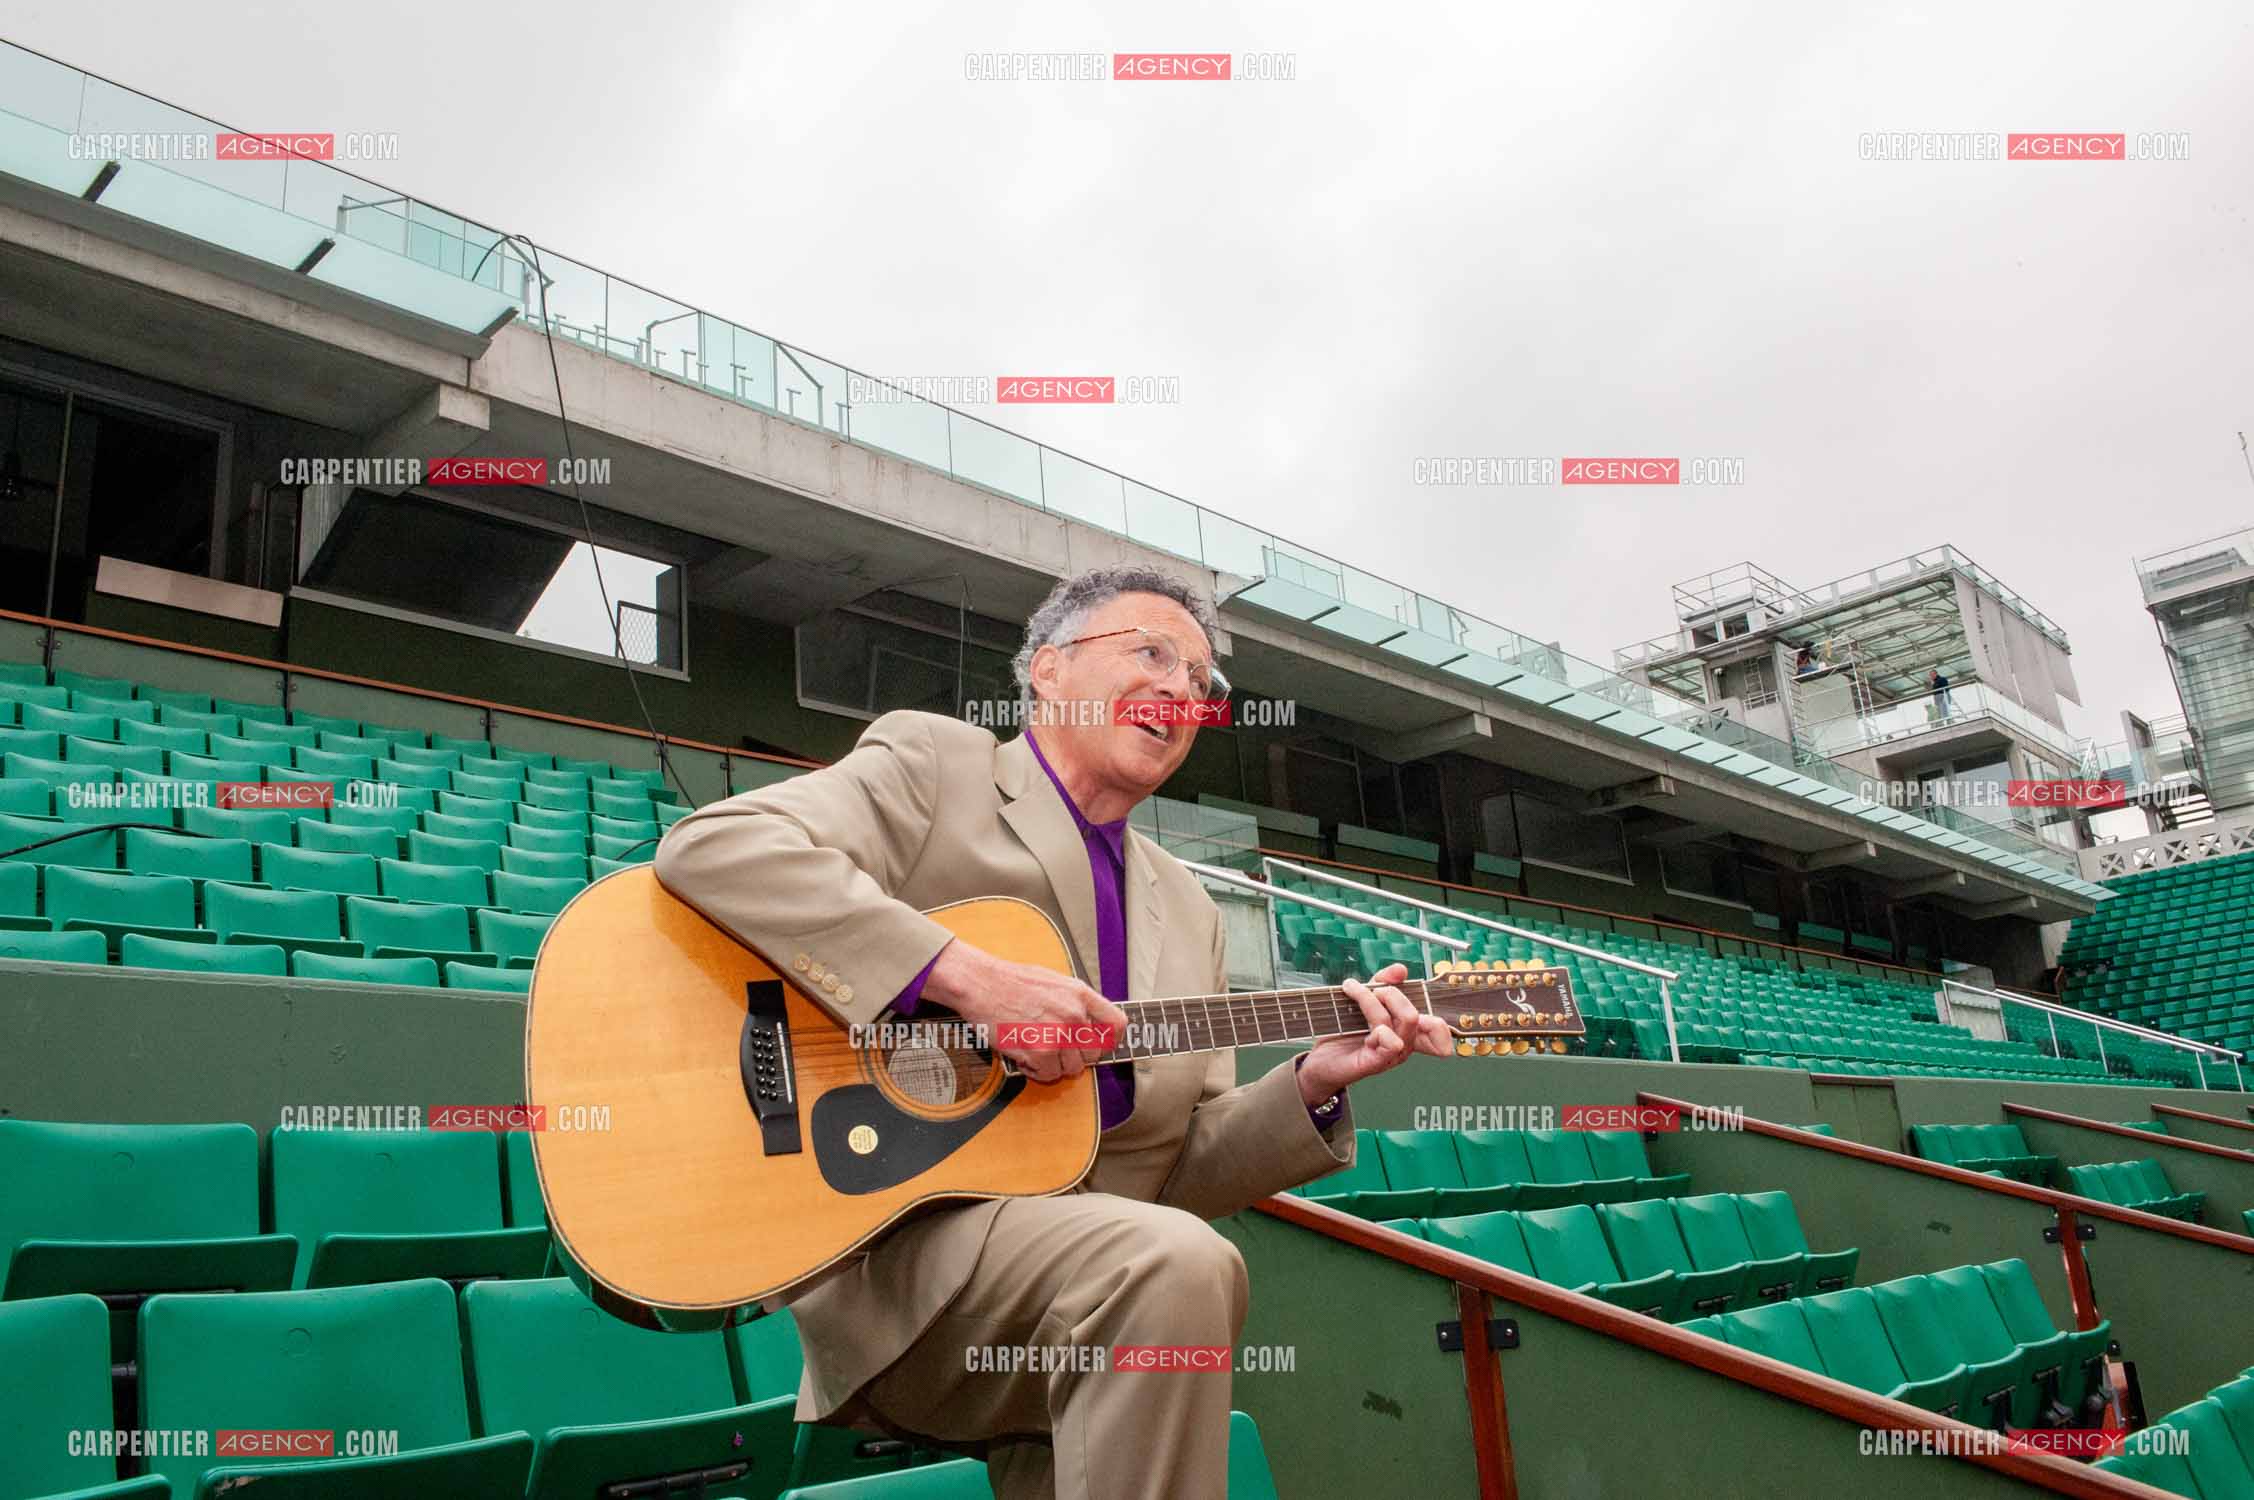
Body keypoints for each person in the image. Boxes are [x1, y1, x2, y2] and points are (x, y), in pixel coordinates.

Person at [653, 563, 1452, 1498]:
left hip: (1084, 1286)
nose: (1179, 690)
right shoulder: (936, 767)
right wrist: (964, 977)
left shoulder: (1190, 908)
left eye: (1200, 682)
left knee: (1162, 1260)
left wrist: (1314, 1084)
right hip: (899, 1255)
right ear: (1047, 670)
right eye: (1151, 653)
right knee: (1170, 1264)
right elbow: (714, 848)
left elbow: (1175, 1173)